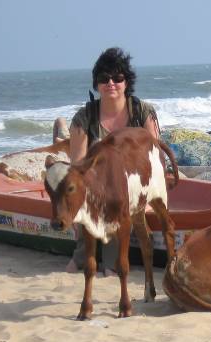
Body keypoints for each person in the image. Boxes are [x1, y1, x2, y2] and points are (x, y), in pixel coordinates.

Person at [65, 47, 161, 276]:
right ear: (96, 84)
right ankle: (88, 259)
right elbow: (78, 166)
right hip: (97, 187)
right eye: (104, 78)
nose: (111, 83)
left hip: (137, 185)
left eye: (117, 78)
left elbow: (156, 159)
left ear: (126, 82)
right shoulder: (84, 117)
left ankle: (108, 263)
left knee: (118, 203)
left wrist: (148, 199)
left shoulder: (143, 112)